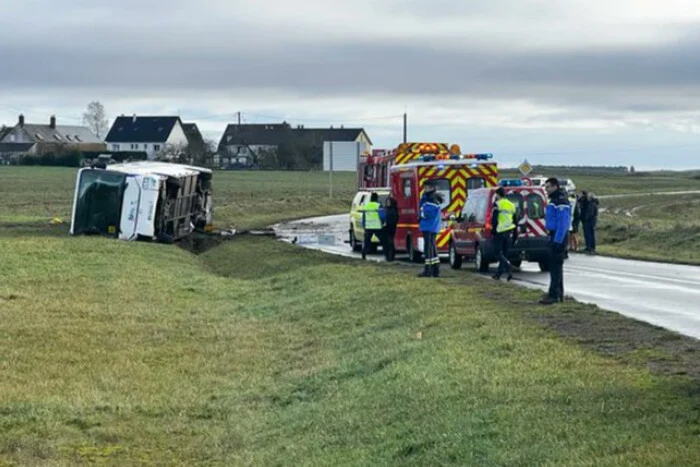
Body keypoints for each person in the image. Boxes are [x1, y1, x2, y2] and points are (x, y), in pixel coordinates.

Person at [540, 177, 572, 305]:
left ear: (554, 186)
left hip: (559, 237)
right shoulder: (555, 200)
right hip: (554, 235)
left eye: (548, 187)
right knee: (555, 268)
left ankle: (554, 295)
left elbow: (563, 224)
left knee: (555, 267)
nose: (546, 190)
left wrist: (557, 241)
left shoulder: (560, 201)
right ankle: (557, 293)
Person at [491, 187, 517, 281]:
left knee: (497, 253)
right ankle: (499, 274)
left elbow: (494, 219)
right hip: (509, 231)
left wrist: (493, 230)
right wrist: (515, 235)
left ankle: (508, 266)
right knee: (504, 254)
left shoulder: (497, 204)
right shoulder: (511, 205)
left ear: (498, 194)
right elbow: (515, 220)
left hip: (500, 231)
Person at [418, 183, 442, 278]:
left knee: (428, 249)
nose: (425, 189)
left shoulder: (430, 199)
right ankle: (435, 268)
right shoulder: (431, 198)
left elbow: (426, 212)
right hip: (431, 226)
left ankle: (428, 270)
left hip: (428, 226)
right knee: (432, 248)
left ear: (432, 188)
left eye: (427, 187)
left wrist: (421, 214)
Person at [361, 192, 384, 260]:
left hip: (368, 227)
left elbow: (364, 217)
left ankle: (363, 255)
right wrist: (383, 223)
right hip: (377, 227)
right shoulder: (378, 205)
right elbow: (382, 216)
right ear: (377, 198)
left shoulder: (367, 206)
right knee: (384, 241)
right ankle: (388, 255)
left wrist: (364, 226)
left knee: (367, 242)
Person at [382, 197, 399, 262]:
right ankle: (387, 256)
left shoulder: (393, 209)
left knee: (390, 242)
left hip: (391, 227)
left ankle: (391, 256)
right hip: (385, 227)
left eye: (389, 202)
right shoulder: (386, 209)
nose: (388, 203)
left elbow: (396, 219)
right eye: (387, 202)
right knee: (386, 242)